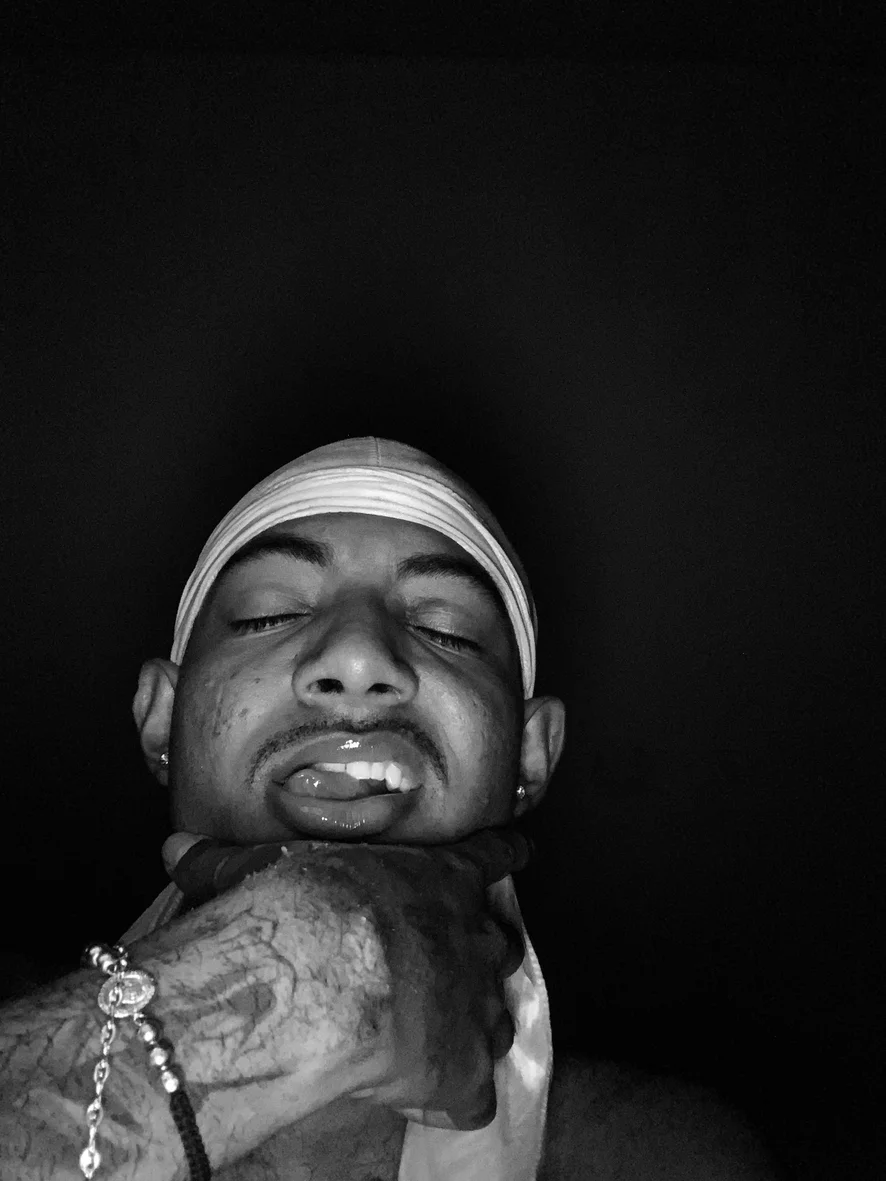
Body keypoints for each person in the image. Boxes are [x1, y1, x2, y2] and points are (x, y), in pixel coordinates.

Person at [0, 438, 780, 1180]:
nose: (357, 657)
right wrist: (314, 965)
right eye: (269, 614)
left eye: (447, 630)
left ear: (530, 754)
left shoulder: (656, 1153)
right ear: (161, 717)